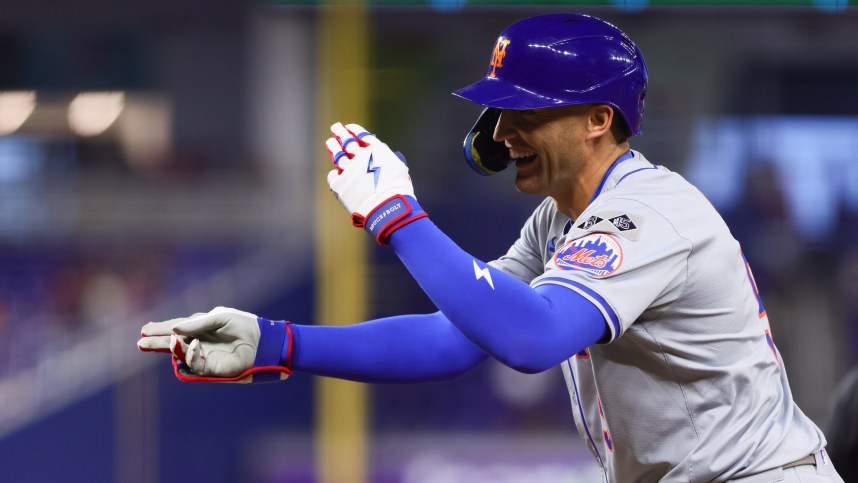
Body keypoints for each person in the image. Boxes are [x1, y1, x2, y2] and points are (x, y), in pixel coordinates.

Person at [137, 13, 844, 482]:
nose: (501, 130)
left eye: (525, 109)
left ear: (600, 120)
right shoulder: (561, 218)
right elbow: (456, 338)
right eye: (498, 107)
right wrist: (277, 340)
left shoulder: (646, 213)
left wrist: (396, 215)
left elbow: (532, 338)